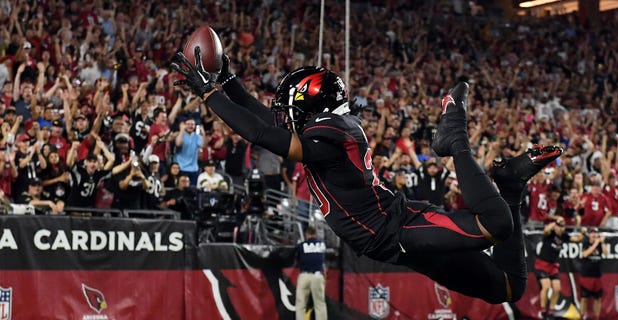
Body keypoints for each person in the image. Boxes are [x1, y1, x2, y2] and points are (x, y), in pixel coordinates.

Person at [171, 49, 563, 304]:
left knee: (495, 225)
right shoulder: (329, 124)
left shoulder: (328, 133)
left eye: (290, 106)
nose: (284, 114)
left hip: (397, 230)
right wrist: (227, 78)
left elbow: (261, 132)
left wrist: (211, 95)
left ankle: (453, 136)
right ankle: (510, 185)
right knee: (507, 288)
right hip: (394, 236)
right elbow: (264, 118)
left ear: (310, 105)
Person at [533, 216, 585, 318]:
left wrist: (582, 232)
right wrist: (556, 221)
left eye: (562, 226)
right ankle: (543, 311)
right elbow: (546, 230)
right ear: (555, 226)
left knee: (557, 288)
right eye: (559, 226)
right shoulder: (550, 234)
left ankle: (550, 312)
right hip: (542, 264)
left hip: (553, 266)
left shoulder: (564, 236)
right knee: (546, 286)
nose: (560, 228)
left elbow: (578, 239)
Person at [295, 226, 327, 320]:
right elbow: (322, 258)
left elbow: (298, 258)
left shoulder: (302, 245)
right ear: (315, 234)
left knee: (300, 304)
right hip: (318, 275)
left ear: (307, 234)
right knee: (320, 304)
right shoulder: (322, 244)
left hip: (304, 275)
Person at [579, 227, 608, 320]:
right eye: (592, 233)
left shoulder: (600, 244)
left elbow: (606, 253)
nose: (594, 235)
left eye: (596, 233)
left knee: (598, 299)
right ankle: (582, 316)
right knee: (584, 299)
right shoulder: (586, 243)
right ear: (589, 234)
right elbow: (585, 254)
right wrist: (595, 244)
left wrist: (602, 242)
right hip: (587, 276)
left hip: (597, 276)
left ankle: (596, 317)